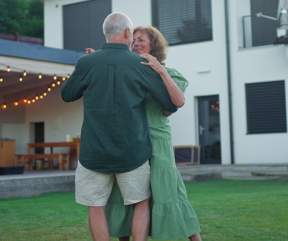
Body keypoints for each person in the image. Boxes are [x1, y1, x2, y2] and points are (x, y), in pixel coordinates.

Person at [61, 13, 178, 241]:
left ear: (105, 33)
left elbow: (67, 94)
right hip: (133, 151)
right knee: (141, 203)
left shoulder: (86, 62)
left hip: (93, 152)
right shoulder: (141, 63)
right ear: (127, 33)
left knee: (96, 207)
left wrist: (89, 68)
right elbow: (169, 103)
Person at [104, 25, 202, 241]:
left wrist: (160, 70)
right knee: (127, 193)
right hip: (129, 140)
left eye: (141, 40)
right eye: (134, 40)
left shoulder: (171, 74)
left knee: (169, 191)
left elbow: (178, 102)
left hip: (157, 140)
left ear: (154, 44)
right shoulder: (128, 73)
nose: (136, 43)